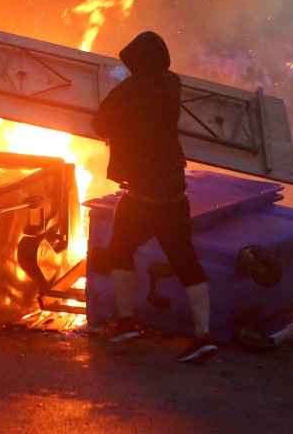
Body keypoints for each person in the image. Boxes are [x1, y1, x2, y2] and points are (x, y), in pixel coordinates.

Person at [90, 30, 218, 364]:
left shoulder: (130, 89)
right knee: (185, 260)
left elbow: (99, 125)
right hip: (175, 191)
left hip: (143, 193)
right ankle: (204, 335)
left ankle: (125, 322)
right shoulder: (171, 83)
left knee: (120, 249)